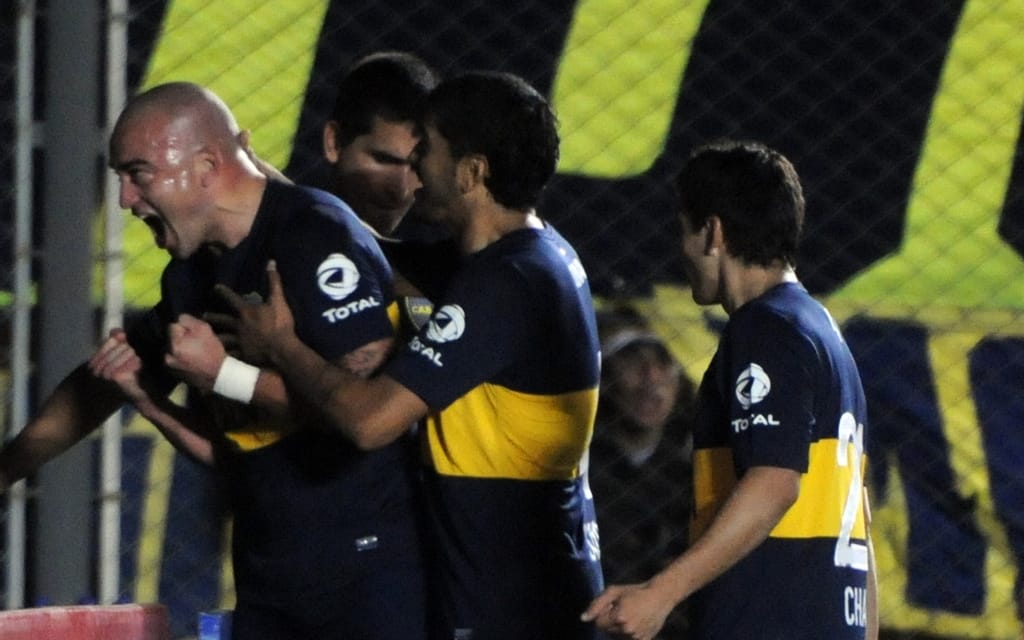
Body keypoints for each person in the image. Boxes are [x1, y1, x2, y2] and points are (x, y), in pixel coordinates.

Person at [0, 81, 429, 640]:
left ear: (205, 165)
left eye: (138, 174)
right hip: (268, 573)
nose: (125, 200)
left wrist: (226, 374)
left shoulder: (313, 234)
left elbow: (364, 413)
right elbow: (100, 389)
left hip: (368, 573)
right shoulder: (190, 275)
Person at [191, 71, 605, 640]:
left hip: (516, 609)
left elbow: (368, 421)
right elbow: (374, 253)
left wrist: (279, 346)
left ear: (471, 172)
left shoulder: (508, 284)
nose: (412, 170)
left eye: (425, 150)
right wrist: (258, 184)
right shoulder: (523, 257)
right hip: (516, 592)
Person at [582, 140, 878, 640]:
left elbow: (775, 481)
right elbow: (858, 521)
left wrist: (661, 593)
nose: (682, 249)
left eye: (685, 229)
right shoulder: (823, 332)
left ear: (713, 232)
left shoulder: (766, 329)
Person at [589, 310, 696, 639]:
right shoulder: (581, 471)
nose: (651, 377)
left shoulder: (691, 471)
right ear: (604, 378)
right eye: (631, 360)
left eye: (663, 360)